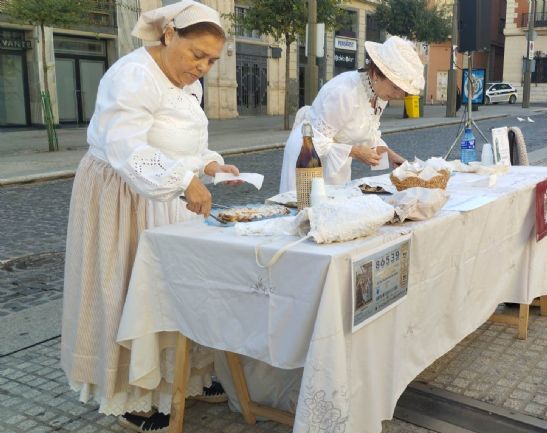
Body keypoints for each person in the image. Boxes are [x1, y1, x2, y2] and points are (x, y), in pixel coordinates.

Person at [61, 1, 241, 431]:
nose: (203, 67)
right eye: (197, 54)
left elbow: (187, 141)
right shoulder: (132, 75)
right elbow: (126, 147)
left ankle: (185, 378)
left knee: (176, 286)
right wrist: (183, 181)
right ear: (168, 35)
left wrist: (210, 166)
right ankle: (133, 395)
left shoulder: (188, 84)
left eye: (212, 61)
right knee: (129, 288)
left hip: (169, 198)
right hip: (126, 197)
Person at [279, 36, 424, 193]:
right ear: (376, 74)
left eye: (403, 90)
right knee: (308, 210)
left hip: (335, 163)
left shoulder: (379, 94)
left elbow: (368, 133)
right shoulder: (344, 92)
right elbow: (316, 143)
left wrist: (390, 155)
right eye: (396, 87)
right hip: (306, 159)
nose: (399, 95)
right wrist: (355, 152)